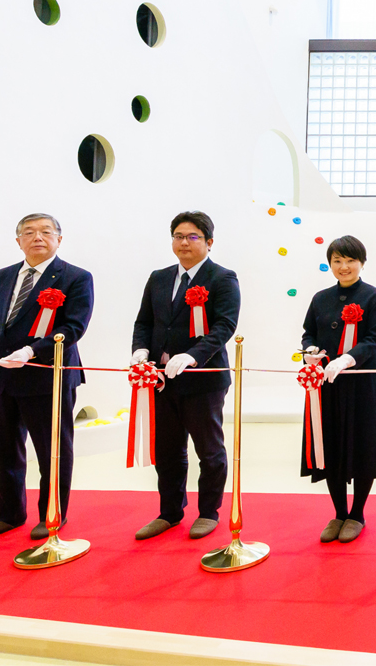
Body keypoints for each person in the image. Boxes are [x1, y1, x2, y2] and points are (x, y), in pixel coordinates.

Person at [0, 213, 94, 541]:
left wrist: (30, 351)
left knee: (52, 450)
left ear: (58, 239)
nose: (37, 237)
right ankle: (9, 515)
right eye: (29, 232)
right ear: (18, 241)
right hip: (2, 375)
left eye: (45, 232)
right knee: (5, 449)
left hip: (46, 376)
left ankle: (52, 514)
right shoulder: (2, 276)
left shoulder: (75, 277)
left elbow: (74, 327)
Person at [130, 212, 240, 540]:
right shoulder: (159, 277)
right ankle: (169, 512)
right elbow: (144, 322)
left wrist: (193, 355)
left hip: (203, 380)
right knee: (167, 450)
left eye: (193, 237)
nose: (184, 243)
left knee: (209, 450)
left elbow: (224, 326)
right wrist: (140, 351)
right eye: (178, 236)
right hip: (161, 380)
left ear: (209, 242)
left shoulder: (222, 278)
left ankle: (208, 512)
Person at [300, 236, 376, 543]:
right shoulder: (320, 298)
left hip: (362, 382)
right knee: (330, 443)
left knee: (362, 443)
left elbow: (374, 338)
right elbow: (308, 333)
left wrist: (346, 359)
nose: (344, 266)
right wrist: (309, 351)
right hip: (326, 382)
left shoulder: (374, 297)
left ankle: (357, 514)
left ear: (362, 263)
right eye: (337, 261)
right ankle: (339, 513)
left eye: (350, 260)